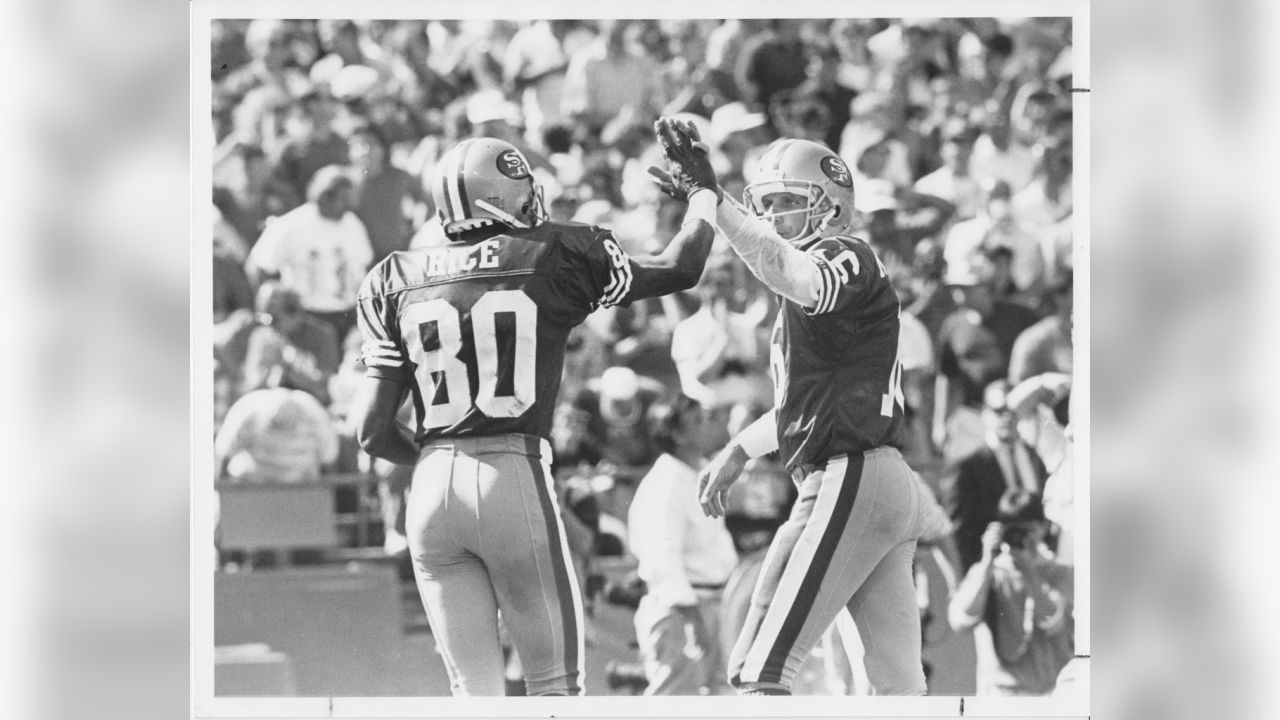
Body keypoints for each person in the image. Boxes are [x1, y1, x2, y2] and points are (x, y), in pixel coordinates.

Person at [348, 123, 717, 696]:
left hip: (429, 490)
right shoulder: (557, 252)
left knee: (474, 694)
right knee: (555, 688)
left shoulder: (391, 279)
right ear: (502, 196)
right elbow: (681, 268)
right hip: (511, 472)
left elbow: (371, 431)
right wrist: (704, 197)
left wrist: (435, 465)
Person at [653, 131, 934, 695]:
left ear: (831, 204)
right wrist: (738, 449)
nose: (776, 215)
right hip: (876, 477)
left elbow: (792, 273)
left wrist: (720, 205)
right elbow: (803, 402)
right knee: (895, 688)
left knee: (759, 665)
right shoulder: (815, 286)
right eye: (769, 203)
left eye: (788, 200)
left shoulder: (845, 254)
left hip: (848, 476)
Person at [628, 396, 739, 695]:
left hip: (716, 604)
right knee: (676, 704)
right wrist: (692, 619)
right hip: (681, 612)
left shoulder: (701, 473)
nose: (708, 426)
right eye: (697, 421)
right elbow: (662, 560)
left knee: (722, 701)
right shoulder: (664, 484)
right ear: (678, 434)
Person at [948, 489, 1073, 695]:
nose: (1019, 538)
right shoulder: (989, 573)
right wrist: (987, 560)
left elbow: (1057, 625)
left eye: (1027, 531)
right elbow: (960, 621)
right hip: (1001, 693)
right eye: (1013, 531)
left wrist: (1030, 573)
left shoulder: (1061, 573)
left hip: (1049, 693)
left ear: (1042, 528)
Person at [245, 164, 374, 342]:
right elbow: (258, 266)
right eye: (341, 198)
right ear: (324, 194)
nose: (348, 205)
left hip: (347, 315)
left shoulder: (353, 225)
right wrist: (273, 310)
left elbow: (364, 265)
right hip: (305, 317)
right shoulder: (292, 225)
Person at [939, 379, 1047, 573]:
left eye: (1013, 410)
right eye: (999, 411)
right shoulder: (966, 466)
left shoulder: (1039, 457)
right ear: (984, 414)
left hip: (1041, 572)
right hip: (994, 577)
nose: (1007, 417)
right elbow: (959, 536)